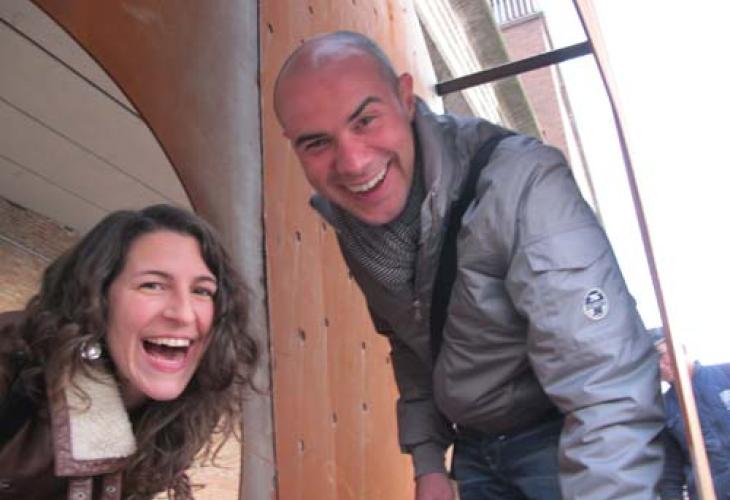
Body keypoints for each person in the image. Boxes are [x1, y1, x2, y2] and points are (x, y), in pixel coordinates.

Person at [273, 31, 664, 499]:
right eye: (317, 143)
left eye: (366, 120)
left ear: (405, 98)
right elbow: (410, 342)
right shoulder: (355, 225)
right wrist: (428, 463)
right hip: (476, 453)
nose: (353, 163)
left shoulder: (522, 184)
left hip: (565, 445)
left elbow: (607, 389)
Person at [0, 205, 258, 499]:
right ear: (97, 297)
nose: (184, 314)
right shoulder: (12, 356)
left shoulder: (185, 412)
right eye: (153, 285)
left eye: (202, 291)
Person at [651, 328, 730, 499]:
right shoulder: (664, 410)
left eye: (662, 355)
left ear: (681, 348)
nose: (661, 365)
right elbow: (670, 474)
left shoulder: (726, 374)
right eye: (652, 362)